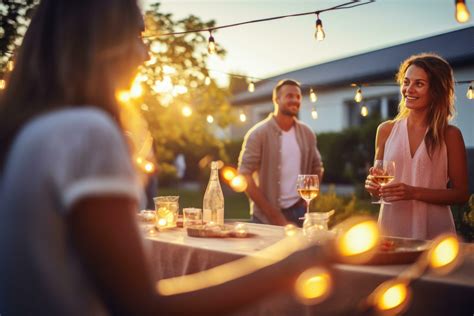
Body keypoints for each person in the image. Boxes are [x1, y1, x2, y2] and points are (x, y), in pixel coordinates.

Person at [0, 1, 329, 315]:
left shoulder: (30, 130)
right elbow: (141, 308)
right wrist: (294, 263)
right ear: (102, 41)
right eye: (138, 35)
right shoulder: (87, 132)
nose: (146, 54)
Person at [365, 53, 469, 240]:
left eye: (419, 84)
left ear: (436, 91)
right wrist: (373, 185)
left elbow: (461, 194)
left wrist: (414, 192)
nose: (408, 90)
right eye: (406, 82)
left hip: (435, 233)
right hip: (391, 229)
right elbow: (379, 185)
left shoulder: (450, 135)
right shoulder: (386, 130)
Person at [238, 79, 324, 226]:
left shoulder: (307, 133)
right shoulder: (258, 134)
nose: (295, 100)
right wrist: (273, 215)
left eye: (298, 97)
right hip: (265, 217)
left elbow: (318, 167)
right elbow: (244, 175)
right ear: (276, 99)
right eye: (290, 96)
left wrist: (306, 198)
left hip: (299, 212)